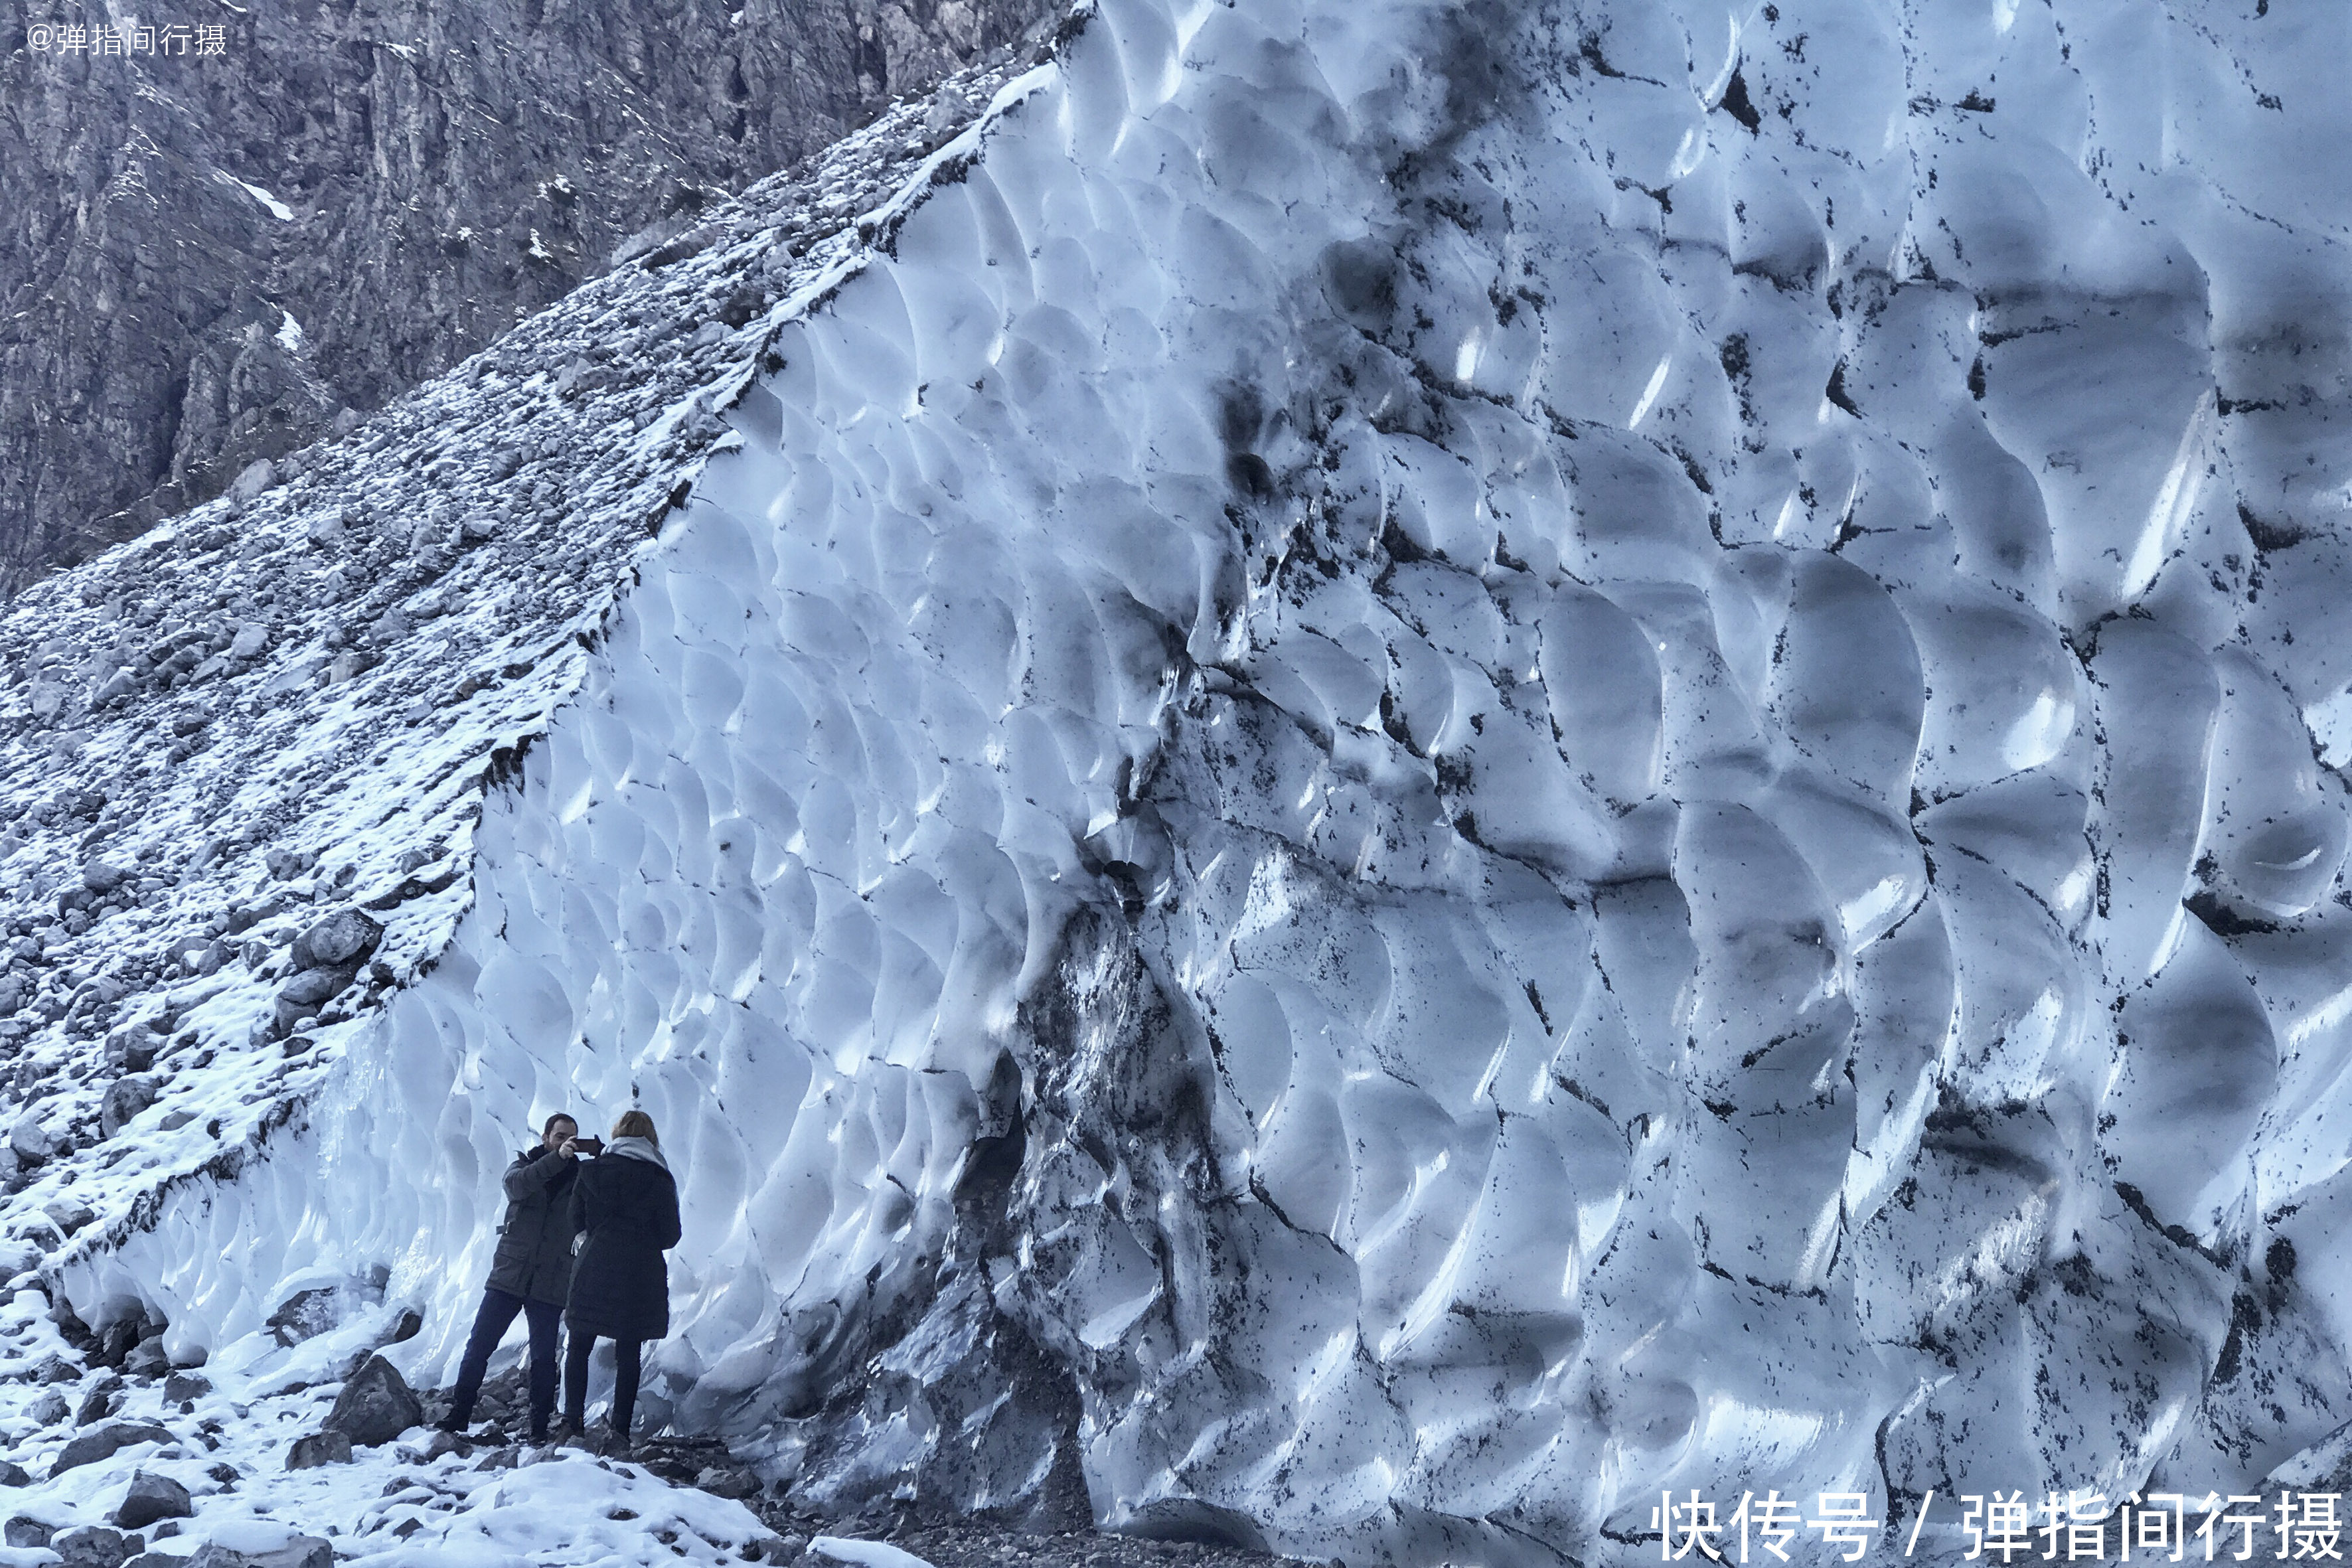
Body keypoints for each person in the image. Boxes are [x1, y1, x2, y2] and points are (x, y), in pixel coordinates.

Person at [440, 1111, 596, 1442]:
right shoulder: (523, 1167)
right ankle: (459, 1415)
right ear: (545, 1138)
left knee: (542, 1358)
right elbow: (517, 1188)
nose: (566, 1143)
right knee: (480, 1344)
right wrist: (556, 1159)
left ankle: (538, 1429)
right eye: (559, 1136)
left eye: (572, 1138)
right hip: (510, 1274)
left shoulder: (582, 1179)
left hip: (550, 1280)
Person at [561, 1108, 681, 1456]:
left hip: (595, 1265)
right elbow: (670, 1235)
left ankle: (572, 1422)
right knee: (629, 1353)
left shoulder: (592, 1169)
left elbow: (575, 1220)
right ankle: (620, 1432)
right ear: (650, 1139)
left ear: (616, 1136)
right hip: (640, 1272)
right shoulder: (660, 1179)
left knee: (580, 1344)